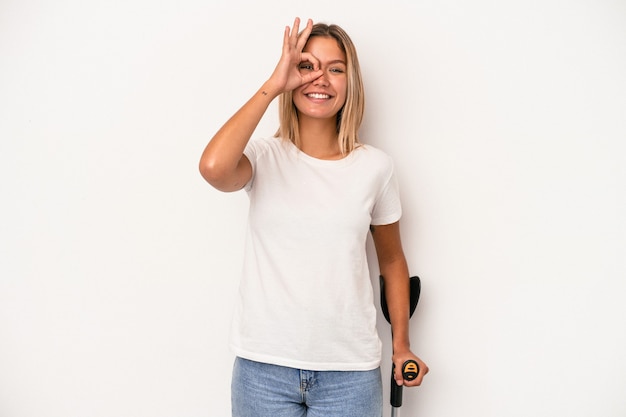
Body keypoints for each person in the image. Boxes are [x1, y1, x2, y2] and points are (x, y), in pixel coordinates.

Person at [199, 17, 428, 417]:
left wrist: (402, 346)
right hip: (263, 369)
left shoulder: (375, 168)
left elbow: (392, 261)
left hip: (349, 376)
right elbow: (214, 168)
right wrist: (274, 84)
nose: (320, 78)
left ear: (349, 81)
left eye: (335, 68)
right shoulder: (264, 157)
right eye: (307, 66)